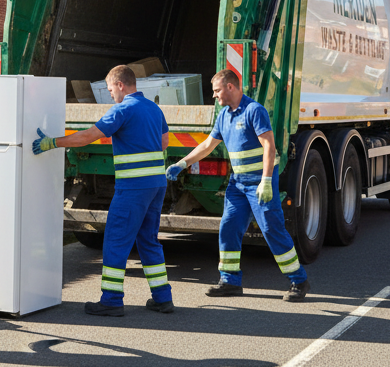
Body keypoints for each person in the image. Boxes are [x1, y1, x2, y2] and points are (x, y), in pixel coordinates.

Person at [32, 65, 173, 316]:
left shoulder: (122, 110)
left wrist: (53, 142)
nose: (110, 95)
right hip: (156, 185)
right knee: (148, 240)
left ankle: (111, 300)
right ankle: (162, 297)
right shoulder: (154, 108)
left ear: (120, 85)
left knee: (116, 240)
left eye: (110, 89)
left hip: (132, 187)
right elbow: (164, 143)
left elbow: (88, 137)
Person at [165, 69, 309, 302]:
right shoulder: (223, 115)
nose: (214, 96)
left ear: (230, 87)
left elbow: (269, 147)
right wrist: (182, 163)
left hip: (259, 185)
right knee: (229, 227)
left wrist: (266, 180)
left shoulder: (255, 111)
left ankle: (298, 280)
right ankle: (229, 281)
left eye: (217, 91)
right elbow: (207, 146)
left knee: (272, 230)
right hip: (238, 186)